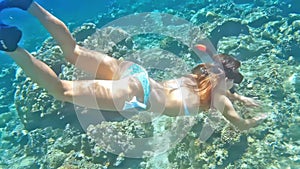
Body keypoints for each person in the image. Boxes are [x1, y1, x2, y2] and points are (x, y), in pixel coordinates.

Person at [0, 0, 267, 131]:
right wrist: (257, 120)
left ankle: (29, 5)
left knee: (74, 51)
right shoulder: (219, 98)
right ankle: (11, 46)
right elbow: (239, 123)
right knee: (62, 90)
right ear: (228, 78)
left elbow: (220, 81)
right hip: (139, 94)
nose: (234, 86)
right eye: (237, 80)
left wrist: (241, 95)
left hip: (135, 72)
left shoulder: (202, 76)